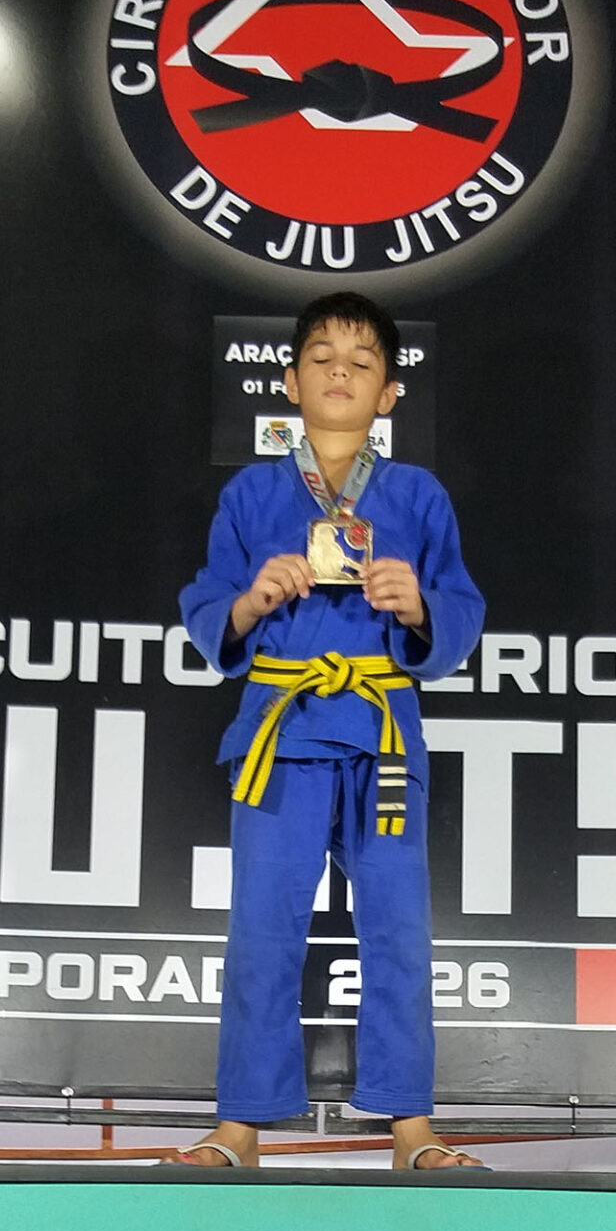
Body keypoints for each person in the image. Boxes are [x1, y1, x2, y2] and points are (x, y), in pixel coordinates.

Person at [176, 291, 485, 1170]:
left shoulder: (418, 496)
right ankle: (240, 1127)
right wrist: (252, 600)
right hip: (283, 732)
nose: (340, 372)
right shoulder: (251, 493)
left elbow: (460, 606)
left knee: (398, 932)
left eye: (361, 361)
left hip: (380, 732)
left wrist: (418, 606)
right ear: (289, 381)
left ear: (389, 392)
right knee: (263, 929)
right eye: (321, 358)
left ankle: (411, 1128)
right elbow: (209, 603)